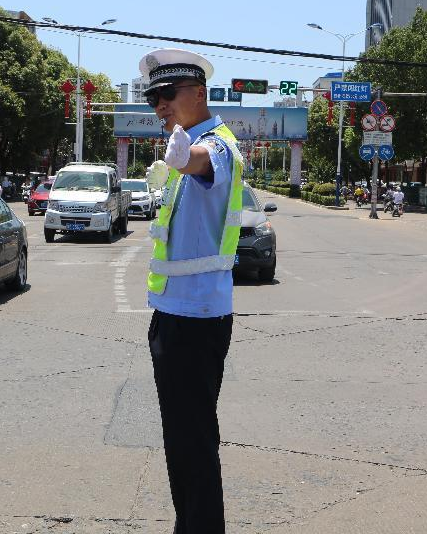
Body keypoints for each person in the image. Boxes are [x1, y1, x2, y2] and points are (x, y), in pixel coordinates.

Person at [142, 48, 242, 533]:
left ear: (199, 94)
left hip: (196, 319)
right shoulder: (187, 138)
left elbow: (204, 163)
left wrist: (185, 154)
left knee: (194, 442)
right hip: (174, 315)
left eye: (168, 95)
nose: (159, 105)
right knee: (181, 442)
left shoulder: (219, 143)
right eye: (152, 98)